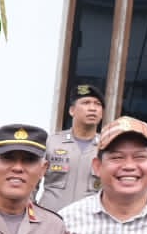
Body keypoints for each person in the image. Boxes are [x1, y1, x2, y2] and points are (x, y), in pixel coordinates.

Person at [38, 82, 104, 212]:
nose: (93, 108)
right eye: (86, 103)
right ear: (72, 110)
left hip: (88, 223)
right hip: (49, 219)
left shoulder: (107, 147)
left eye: (98, 104)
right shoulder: (51, 142)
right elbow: (31, 182)